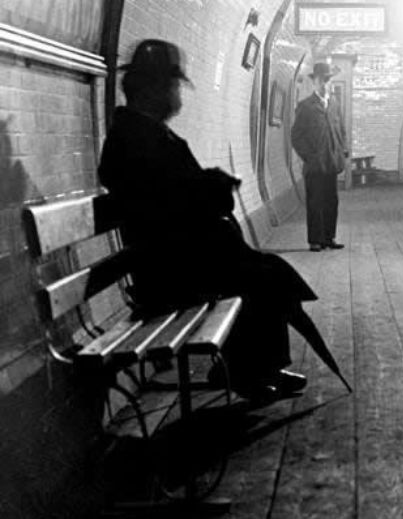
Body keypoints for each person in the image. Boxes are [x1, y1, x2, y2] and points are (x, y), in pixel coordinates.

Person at [99, 39, 314, 400]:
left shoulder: (140, 133)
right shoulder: (137, 139)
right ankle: (248, 373)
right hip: (169, 271)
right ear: (153, 89)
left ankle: (259, 367)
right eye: (173, 85)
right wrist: (212, 188)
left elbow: (173, 192)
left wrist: (208, 184)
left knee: (264, 271)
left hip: (174, 258)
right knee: (260, 277)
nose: (177, 94)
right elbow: (171, 203)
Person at [290, 61, 348, 252]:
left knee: (331, 201)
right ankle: (315, 240)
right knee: (315, 202)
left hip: (331, 162)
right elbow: (296, 137)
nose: (324, 84)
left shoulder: (334, 105)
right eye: (320, 81)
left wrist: (342, 151)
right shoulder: (305, 106)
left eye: (327, 80)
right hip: (314, 165)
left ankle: (329, 238)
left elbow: (341, 130)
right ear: (314, 82)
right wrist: (309, 156)